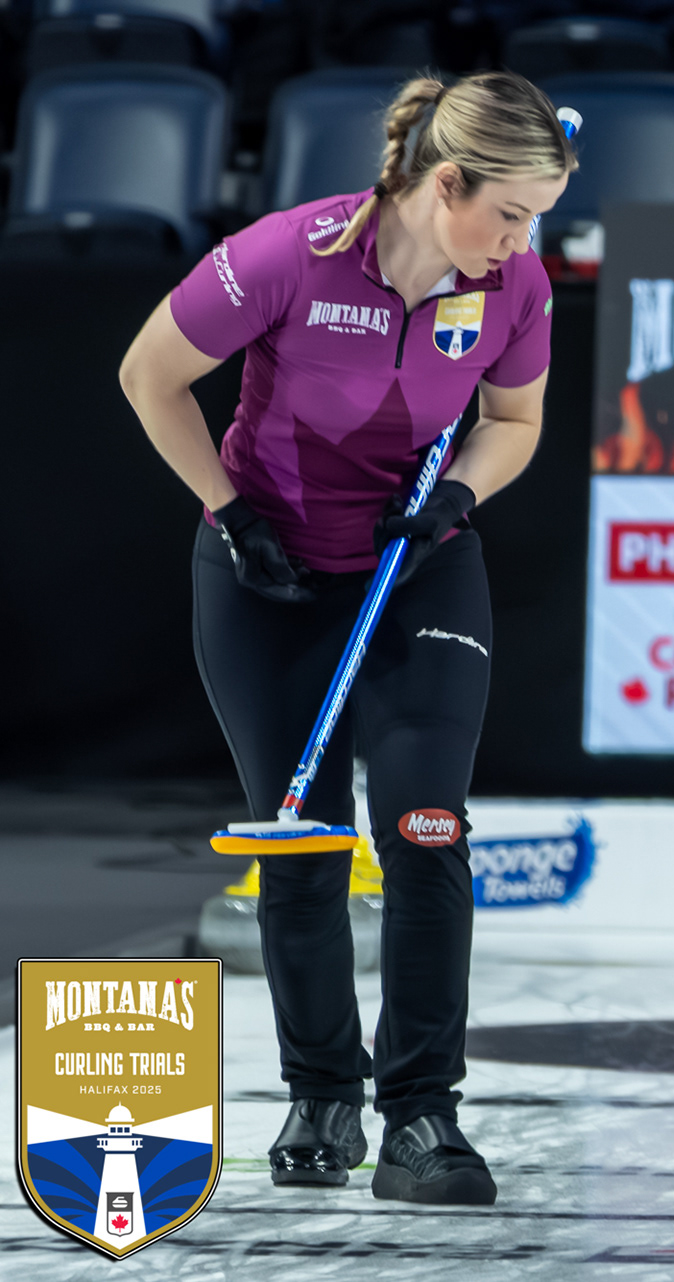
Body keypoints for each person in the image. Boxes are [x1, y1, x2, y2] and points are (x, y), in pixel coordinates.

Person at [118, 72, 573, 1206]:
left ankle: (422, 1116)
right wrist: (231, 513)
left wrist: (458, 496)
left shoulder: (513, 283)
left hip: (416, 565)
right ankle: (322, 1092)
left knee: (425, 825)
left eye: (538, 219)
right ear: (446, 184)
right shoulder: (291, 254)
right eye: (511, 213)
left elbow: (515, 421)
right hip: (266, 570)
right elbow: (149, 376)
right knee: (304, 842)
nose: (524, 243)